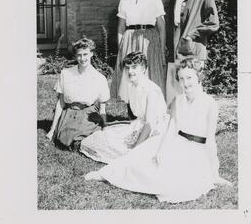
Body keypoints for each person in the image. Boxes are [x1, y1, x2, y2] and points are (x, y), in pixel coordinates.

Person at [84, 58, 231, 204]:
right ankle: (105, 174)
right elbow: (171, 129)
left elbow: (210, 141)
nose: (185, 83)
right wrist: (161, 150)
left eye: (189, 78)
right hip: (175, 142)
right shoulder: (177, 101)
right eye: (181, 79)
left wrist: (215, 173)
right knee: (140, 158)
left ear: (199, 77)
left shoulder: (210, 104)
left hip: (195, 149)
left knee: (171, 181)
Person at [80, 52, 169, 163]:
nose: (130, 71)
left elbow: (150, 124)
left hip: (155, 129)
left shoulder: (151, 90)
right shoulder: (131, 85)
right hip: (139, 125)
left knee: (130, 151)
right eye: (127, 68)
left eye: (134, 67)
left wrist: (136, 148)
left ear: (144, 69)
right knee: (98, 138)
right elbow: (136, 116)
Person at [166, 0, 219, 106]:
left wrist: (192, 34)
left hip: (192, 47)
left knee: (192, 92)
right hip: (174, 46)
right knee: (174, 93)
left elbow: (213, 22)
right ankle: (175, 127)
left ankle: (195, 128)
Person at [111, 0, 166, 102]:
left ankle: (151, 110)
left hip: (150, 40)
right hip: (130, 39)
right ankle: (132, 111)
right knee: (131, 74)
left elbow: (162, 26)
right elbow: (121, 27)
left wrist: (161, 48)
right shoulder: (124, 0)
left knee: (150, 73)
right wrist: (121, 48)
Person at [45, 37, 110, 150]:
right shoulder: (66, 74)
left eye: (85, 54)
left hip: (88, 114)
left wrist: (105, 128)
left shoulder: (99, 78)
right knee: (65, 140)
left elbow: (102, 109)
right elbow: (60, 104)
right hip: (69, 113)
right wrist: (51, 129)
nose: (82, 58)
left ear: (91, 54)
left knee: (86, 140)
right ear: (75, 56)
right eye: (79, 55)